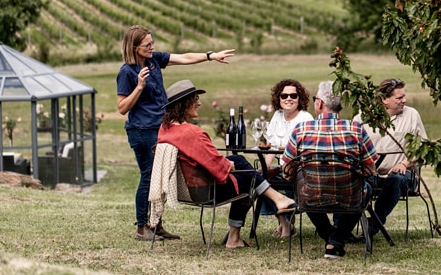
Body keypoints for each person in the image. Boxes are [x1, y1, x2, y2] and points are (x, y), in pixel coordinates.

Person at [116, 25, 235, 242]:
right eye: (147, 45)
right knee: (149, 176)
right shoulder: (126, 72)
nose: (152, 47)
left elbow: (184, 58)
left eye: (152, 43)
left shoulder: (153, 61)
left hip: (161, 128)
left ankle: (156, 225)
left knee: (160, 176)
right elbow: (122, 107)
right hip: (141, 131)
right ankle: (143, 228)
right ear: (134, 47)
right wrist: (140, 86)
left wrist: (210, 56)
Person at [157, 79, 298, 248]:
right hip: (206, 190)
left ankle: (276, 200)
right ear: (184, 103)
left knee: (238, 160)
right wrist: (227, 165)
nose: (199, 103)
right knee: (248, 177)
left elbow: (205, 159)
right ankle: (238, 234)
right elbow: (217, 166)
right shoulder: (192, 132)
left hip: (187, 188)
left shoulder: (165, 129)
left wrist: (228, 163)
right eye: (195, 100)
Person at [281, 81, 377, 259]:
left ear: (320, 103)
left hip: (312, 197)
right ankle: (336, 241)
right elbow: (371, 169)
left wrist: (295, 171)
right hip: (349, 197)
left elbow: (286, 167)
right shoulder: (356, 129)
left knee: (303, 190)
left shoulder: (301, 129)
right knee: (366, 189)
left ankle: (331, 237)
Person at [353, 78, 428, 239]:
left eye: (404, 96)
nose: (404, 100)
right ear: (383, 100)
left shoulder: (412, 115)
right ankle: (341, 231)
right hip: (370, 174)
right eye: (399, 98)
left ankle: (374, 224)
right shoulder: (363, 117)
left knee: (396, 178)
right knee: (348, 180)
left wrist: (404, 163)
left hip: (402, 175)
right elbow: (352, 148)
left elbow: (423, 148)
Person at [261, 79, 313, 238]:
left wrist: (290, 167)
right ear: (278, 98)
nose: (288, 99)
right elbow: (271, 146)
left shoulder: (305, 118)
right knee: (259, 180)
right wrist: (265, 169)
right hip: (281, 167)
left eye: (293, 95)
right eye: (284, 96)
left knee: (286, 178)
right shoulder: (277, 116)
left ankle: (287, 222)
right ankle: (285, 223)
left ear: (299, 98)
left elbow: (307, 151)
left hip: (301, 169)